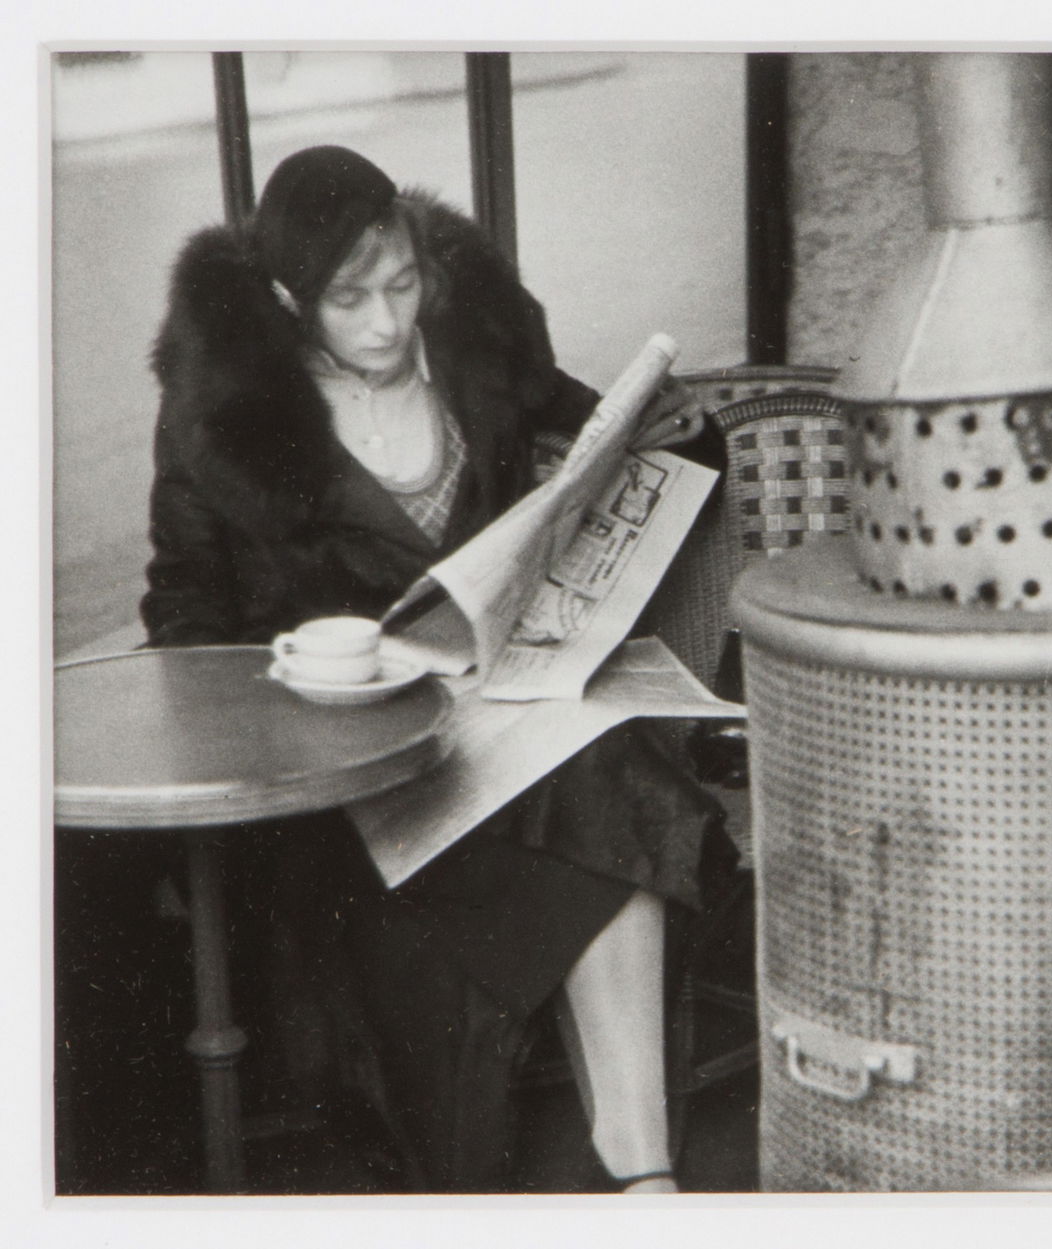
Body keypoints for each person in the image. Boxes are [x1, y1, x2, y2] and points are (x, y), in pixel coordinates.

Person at [139, 145, 720, 1193]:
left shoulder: (478, 349)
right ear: (286, 299)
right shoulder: (220, 419)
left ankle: (643, 1173)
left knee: (605, 768)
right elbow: (183, 617)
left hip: (502, 712)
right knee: (600, 808)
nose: (386, 323)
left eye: (402, 285)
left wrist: (669, 432)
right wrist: (297, 690)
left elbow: (591, 435)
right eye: (348, 300)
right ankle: (636, 1173)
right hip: (354, 762)